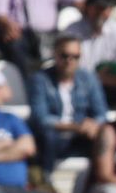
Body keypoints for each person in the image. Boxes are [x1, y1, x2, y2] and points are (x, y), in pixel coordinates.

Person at [30, 33, 109, 178]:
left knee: (105, 135)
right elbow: (40, 118)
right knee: (48, 136)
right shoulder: (40, 79)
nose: (69, 61)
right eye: (65, 56)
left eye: (75, 57)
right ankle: (45, 180)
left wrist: (92, 124)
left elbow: (102, 113)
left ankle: (99, 182)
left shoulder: (88, 79)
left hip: (80, 136)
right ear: (55, 55)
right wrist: (76, 126)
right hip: (53, 138)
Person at [0, 0, 82, 76]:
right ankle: (30, 84)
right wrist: (6, 23)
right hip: (19, 36)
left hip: (50, 36)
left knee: (69, 48)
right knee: (16, 44)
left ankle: (65, 86)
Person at [66, 0, 116, 106]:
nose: (100, 13)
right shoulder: (72, 31)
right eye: (96, 8)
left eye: (104, 8)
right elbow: (72, 69)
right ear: (88, 8)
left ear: (110, 10)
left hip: (113, 86)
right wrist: (99, 77)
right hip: (81, 87)